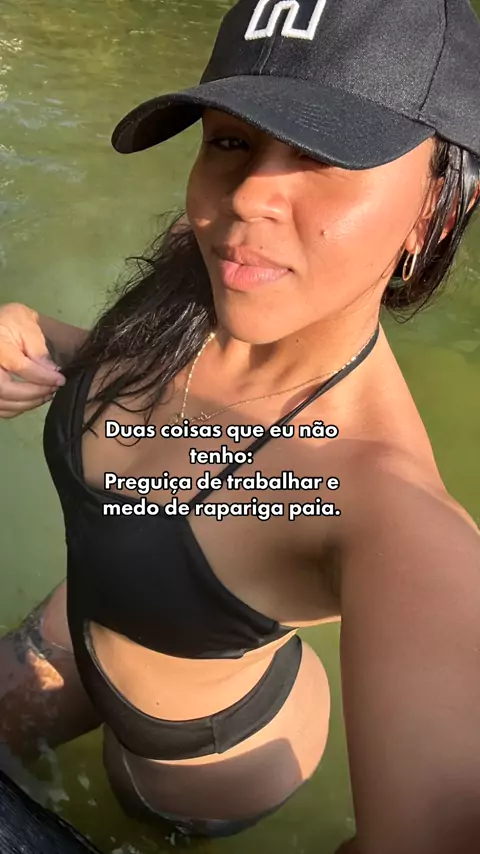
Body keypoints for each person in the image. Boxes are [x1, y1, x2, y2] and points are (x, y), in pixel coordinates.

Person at [0, 0, 480, 851]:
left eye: (325, 155)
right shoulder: (206, 276)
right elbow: (129, 373)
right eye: (230, 141)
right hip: (81, 624)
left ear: (434, 213)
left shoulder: (393, 513)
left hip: (200, 755)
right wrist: (36, 341)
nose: (250, 194)